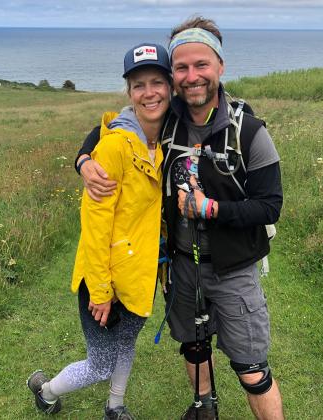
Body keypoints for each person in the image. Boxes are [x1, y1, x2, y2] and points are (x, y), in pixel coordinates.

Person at [77, 17, 284, 420]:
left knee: (252, 370)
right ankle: (203, 407)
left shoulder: (249, 130)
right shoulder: (167, 116)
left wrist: (211, 209)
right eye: (182, 68)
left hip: (235, 269)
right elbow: (111, 127)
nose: (192, 77)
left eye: (201, 65)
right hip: (181, 268)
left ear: (220, 66)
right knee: (193, 347)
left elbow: (270, 206)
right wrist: (83, 159)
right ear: (173, 76)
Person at [27, 42, 172, 419]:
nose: (149, 92)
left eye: (157, 81)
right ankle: (44, 390)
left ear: (171, 87)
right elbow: (94, 227)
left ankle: (115, 407)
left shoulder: (171, 142)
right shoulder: (112, 148)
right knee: (102, 363)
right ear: (129, 92)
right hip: (105, 278)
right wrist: (102, 291)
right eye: (139, 84)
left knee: (126, 346)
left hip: (142, 275)